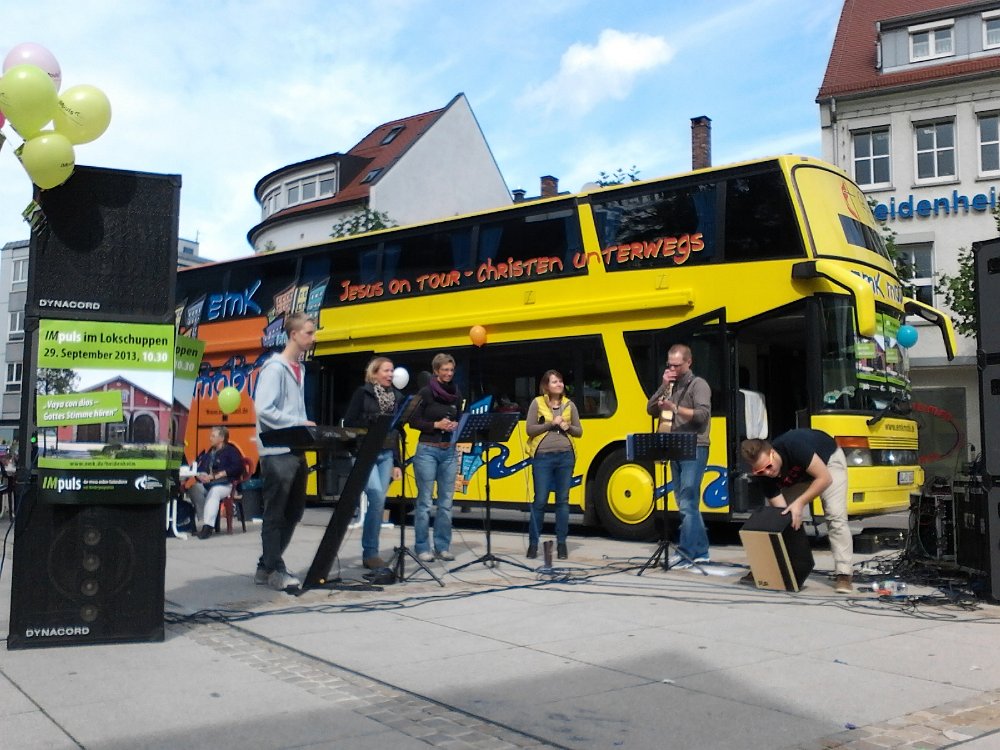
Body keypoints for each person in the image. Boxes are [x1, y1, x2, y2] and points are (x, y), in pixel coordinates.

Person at [740, 429, 854, 594]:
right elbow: (780, 512)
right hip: (801, 476)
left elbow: (825, 478)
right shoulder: (764, 476)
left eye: (769, 466)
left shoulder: (795, 446)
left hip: (828, 463)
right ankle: (771, 567)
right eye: (760, 471)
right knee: (781, 517)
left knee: (835, 516)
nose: (768, 473)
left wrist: (799, 504)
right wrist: (789, 519)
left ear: (773, 453)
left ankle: (844, 573)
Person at [253, 312, 317, 590]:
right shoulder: (274, 368)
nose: (313, 337)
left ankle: (265, 566)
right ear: (293, 335)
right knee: (275, 513)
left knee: (294, 511)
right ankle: (275, 569)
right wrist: (298, 423)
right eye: (309, 332)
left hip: (296, 447)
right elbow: (264, 410)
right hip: (276, 450)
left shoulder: (299, 369)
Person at [645, 344, 712, 568]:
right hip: (674, 446)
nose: (672, 369)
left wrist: (676, 409)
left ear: (688, 362)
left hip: (695, 446)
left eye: (677, 365)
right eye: (669, 365)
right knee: (684, 501)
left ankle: (687, 551)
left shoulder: (698, 384)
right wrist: (664, 385)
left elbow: (702, 415)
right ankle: (700, 551)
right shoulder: (670, 386)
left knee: (687, 502)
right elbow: (650, 409)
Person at [343, 356, 404, 570]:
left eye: (392, 370)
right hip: (365, 452)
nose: (390, 374)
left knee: (379, 502)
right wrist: (370, 420)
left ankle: (371, 553)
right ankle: (370, 552)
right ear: (375, 373)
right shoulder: (363, 393)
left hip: (386, 454)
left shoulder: (396, 397)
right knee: (376, 495)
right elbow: (349, 422)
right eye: (386, 370)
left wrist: (397, 463)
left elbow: (395, 433)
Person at [409, 353, 462, 562]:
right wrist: (435, 425)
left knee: (446, 502)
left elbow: (459, 416)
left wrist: (455, 424)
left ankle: (442, 546)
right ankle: (422, 547)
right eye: (445, 370)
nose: (449, 373)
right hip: (428, 450)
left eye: (451, 370)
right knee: (424, 502)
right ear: (436, 371)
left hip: (449, 450)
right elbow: (413, 420)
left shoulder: (456, 392)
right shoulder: (426, 392)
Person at [525, 370, 583, 561]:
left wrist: (568, 427)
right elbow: (529, 429)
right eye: (554, 381)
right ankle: (534, 543)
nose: (559, 384)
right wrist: (550, 424)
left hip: (565, 456)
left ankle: (562, 543)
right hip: (542, 457)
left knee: (562, 501)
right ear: (546, 386)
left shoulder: (569, 405)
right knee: (540, 500)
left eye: (560, 381)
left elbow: (579, 431)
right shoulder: (537, 403)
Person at [188, 425, 244, 539]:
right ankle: (204, 520)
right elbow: (201, 467)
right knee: (194, 488)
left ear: (222, 438)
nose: (210, 438)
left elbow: (238, 467)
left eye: (213, 436)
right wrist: (201, 475)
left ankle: (208, 527)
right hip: (208, 483)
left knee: (214, 492)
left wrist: (219, 474)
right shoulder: (210, 452)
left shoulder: (231, 451)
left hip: (225, 484)